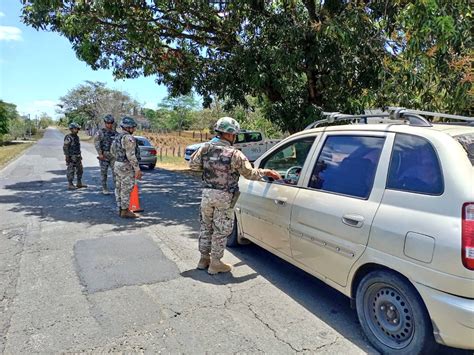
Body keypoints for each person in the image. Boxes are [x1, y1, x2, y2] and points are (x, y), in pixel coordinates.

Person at [189, 117, 281, 275]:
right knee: (220, 229)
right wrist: (266, 172)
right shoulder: (235, 154)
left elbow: (193, 165)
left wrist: (211, 168)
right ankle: (215, 263)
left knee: (206, 227)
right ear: (231, 135)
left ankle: (203, 259)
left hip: (207, 194)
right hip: (224, 195)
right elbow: (249, 173)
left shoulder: (204, 148)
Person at [111, 116, 142, 218]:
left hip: (117, 164)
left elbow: (112, 151)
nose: (134, 129)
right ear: (128, 127)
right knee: (126, 188)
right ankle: (125, 211)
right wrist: (137, 169)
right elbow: (131, 155)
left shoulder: (117, 137)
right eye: (133, 127)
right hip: (126, 166)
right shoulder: (128, 138)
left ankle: (120, 208)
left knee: (118, 187)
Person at [94, 114, 117, 195]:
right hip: (104, 155)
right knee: (104, 173)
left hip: (113, 156)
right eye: (108, 123)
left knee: (116, 173)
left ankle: (117, 188)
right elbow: (97, 143)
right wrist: (100, 153)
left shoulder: (115, 133)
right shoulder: (100, 132)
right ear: (105, 123)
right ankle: (104, 188)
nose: (109, 124)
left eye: (111, 123)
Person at [63, 122, 87, 190]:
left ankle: (79, 183)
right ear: (71, 129)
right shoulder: (68, 137)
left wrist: (80, 155)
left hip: (78, 156)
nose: (77, 130)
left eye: (77, 129)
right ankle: (70, 184)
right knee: (71, 170)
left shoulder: (76, 137)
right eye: (75, 129)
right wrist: (67, 156)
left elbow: (77, 147)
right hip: (71, 157)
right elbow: (65, 147)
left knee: (80, 170)